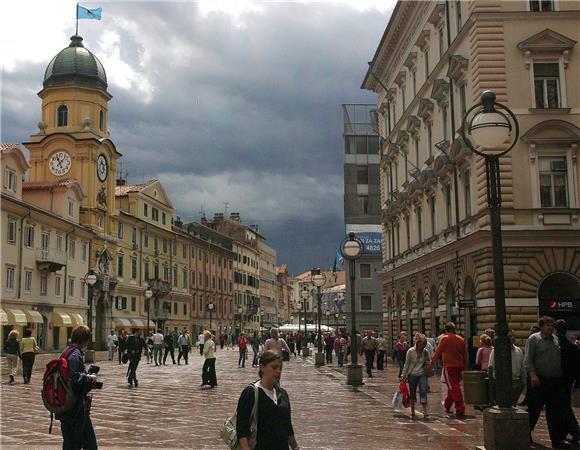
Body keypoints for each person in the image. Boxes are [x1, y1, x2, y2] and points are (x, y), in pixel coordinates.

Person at [235, 350, 300, 450]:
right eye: (274, 367)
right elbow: (242, 428)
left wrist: (295, 447)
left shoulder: (282, 394)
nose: (278, 371)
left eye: (280, 368)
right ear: (262, 367)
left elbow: (287, 426)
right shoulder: (251, 393)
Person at [525, 316, 569, 448]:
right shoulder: (534, 339)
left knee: (554, 412)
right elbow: (528, 359)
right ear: (542, 326)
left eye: (552, 325)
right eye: (548, 325)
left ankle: (556, 439)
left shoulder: (555, 340)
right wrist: (533, 375)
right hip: (539, 380)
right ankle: (526, 434)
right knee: (534, 410)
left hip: (554, 381)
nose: (550, 328)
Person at [57, 325, 99, 450]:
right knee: (90, 443)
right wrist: (89, 377)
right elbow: (75, 378)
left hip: (64, 404)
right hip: (76, 407)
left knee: (70, 442)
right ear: (85, 340)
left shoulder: (66, 351)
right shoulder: (75, 354)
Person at [430, 322, 466, 416]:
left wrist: (431, 364)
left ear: (446, 330)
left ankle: (460, 407)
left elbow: (437, 353)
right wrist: (464, 366)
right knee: (453, 385)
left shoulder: (445, 339)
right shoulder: (461, 339)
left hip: (449, 366)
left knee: (453, 387)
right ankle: (447, 405)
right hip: (459, 366)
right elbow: (465, 355)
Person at [555, 319, 580, 445]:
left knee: (562, 407)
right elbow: (577, 367)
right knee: (564, 406)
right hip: (569, 380)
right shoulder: (572, 346)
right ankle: (566, 432)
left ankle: (575, 431)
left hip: (557, 379)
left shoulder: (556, 345)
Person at [488, 329, 526, 406]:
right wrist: (497, 382)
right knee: (503, 406)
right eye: (509, 336)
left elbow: (522, 368)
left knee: (513, 405)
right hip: (503, 383)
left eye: (513, 336)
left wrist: (523, 382)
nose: (512, 338)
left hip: (516, 382)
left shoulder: (519, 351)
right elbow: (491, 368)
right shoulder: (496, 351)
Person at [401, 333, 431, 419]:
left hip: (422, 374)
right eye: (421, 345)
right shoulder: (410, 351)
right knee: (412, 392)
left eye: (423, 345)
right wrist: (403, 375)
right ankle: (412, 410)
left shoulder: (425, 352)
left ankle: (425, 411)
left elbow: (428, 362)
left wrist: (428, 365)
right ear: (417, 343)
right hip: (412, 375)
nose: (422, 347)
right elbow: (406, 364)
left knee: (423, 391)